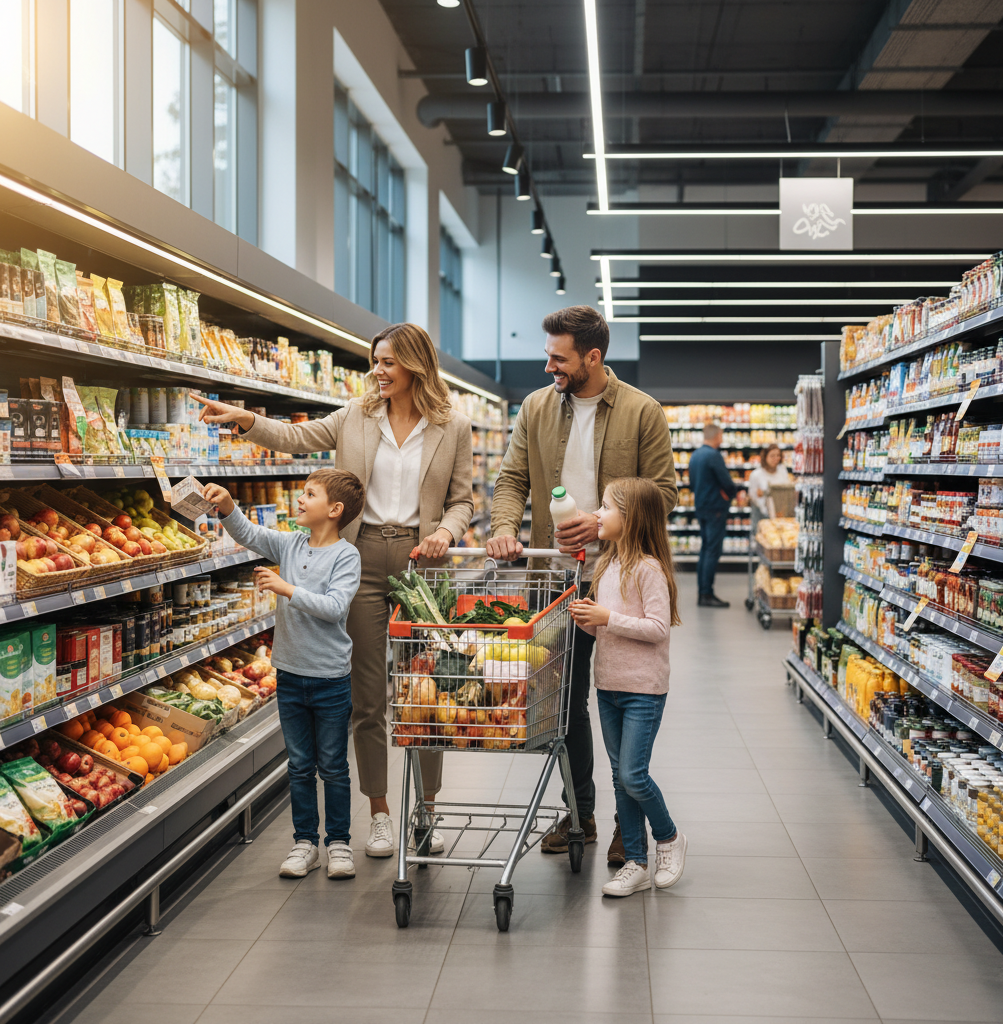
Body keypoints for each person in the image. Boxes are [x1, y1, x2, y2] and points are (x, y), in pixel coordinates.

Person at [191, 323, 473, 859]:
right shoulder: (356, 416)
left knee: (428, 695)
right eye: (375, 360)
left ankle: (427, 810)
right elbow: (297, 438)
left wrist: (445, 532)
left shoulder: (452, 426)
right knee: (368, 697)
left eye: (387, 361)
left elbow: (462, 501)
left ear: (414, 363)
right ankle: (381, 812)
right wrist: (246, 420)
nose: (377, 371)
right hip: (360, 559)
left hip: (423, 563)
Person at [486, 305, 676, 864]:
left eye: (559, 357)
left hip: (618, 576)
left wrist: (600, 520)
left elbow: (662, 494)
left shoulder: (643, 412)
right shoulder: (536, 408)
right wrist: (502, 528)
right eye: (548, 355)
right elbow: (512, 479)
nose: (549, 367)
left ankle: (629, 826)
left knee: (620, 700)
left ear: (593, 357)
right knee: (563, 705)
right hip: (554, 582)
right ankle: (580, 811)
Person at [202, 470, 364, 879]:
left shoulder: (346, 556)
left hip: (329, 678)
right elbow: (250, 534)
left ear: (334, 509)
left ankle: (339, 843)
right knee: (299, 765)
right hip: (289, 674)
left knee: (333, 766)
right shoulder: (289, 543)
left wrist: (285, 587)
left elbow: (334, 607)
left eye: (310, 494)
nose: (300, 498)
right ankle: (304, 843)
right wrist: (226, 506)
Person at [569, 477, 686, 896]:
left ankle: (669, 838)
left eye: (605, 507)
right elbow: (607, 627)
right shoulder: (606, 565)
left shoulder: (649, 569)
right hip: (609, 685)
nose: (596, 514)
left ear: (632, 518)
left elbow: (657, 628)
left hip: (643, 689)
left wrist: (605, 619)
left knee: (634, 775)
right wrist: (587, 621)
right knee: (620, 777)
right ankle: (635, 861)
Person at [688, 422, 738, 608]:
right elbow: (726, 481)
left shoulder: (696, 455)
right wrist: (731, 494)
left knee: (705, 549)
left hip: (701, 506)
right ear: (717, 436)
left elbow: (692, 484)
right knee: (712, 551)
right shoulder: (713, 455)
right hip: (715, 508)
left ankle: (703, 591)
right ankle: (706, 593)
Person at [747, 443, 791, 533]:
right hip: (762, 515)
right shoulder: (756, 475)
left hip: (781, 515)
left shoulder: (783, 471)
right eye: (772, 456)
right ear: (765, 457)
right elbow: (753, 496)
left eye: (778, 455)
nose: (776, 458)